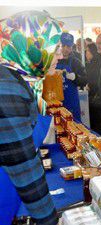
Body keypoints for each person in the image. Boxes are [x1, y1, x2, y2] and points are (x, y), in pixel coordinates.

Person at [0, 65, 58, 224]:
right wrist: (49, 221)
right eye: (56, 47)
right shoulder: (5, 86)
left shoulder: (15, 79)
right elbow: (24, 170)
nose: (59, 55)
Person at [56, 32, 87, 121]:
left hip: (71, 103)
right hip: (56, 103)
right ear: (59, 45)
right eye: (64, 46)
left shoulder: (75, 62)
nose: (65, 49)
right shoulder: (52, 61)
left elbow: (85, 80)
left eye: (68, 47)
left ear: (72, 47)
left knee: (74, 128)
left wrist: (75, 77)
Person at [85, 43, 101, 136]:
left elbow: (94, 80)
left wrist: (89, 85)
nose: (86, 54)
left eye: (87, 51)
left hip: (96, 98)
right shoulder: (100, 61)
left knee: (97, 125)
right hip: (100, 98)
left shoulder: (94, 63)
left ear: (91, 52)